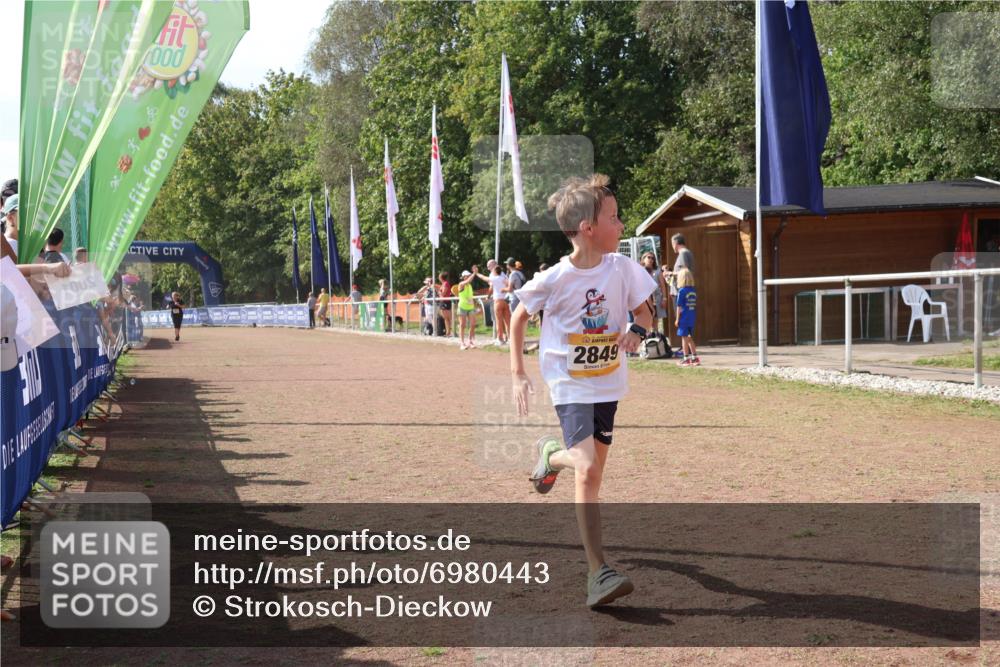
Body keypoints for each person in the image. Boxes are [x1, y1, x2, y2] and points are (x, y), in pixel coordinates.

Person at [510, 173, 655, 609]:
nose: (622, 224)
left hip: (607, 383)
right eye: (614, 218)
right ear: (588, 227)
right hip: (568, 383)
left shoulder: (622, 268)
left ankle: (550, 456)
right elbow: (518, 317)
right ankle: (598, 572)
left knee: (590, 476)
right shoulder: (554, 278)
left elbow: (645, 314)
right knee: (588, 467)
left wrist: (634, 331)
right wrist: (518, 373)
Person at [674, 268, 699, 366]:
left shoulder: (681, 291)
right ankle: (695, 357)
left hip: (684, 317)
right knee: (689, 337)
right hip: (691, 316)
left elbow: (679, 306)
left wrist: (677, 319)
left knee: (684, 338)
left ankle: (686, 358)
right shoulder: (693, 291)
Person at [640, 251, 669, 334]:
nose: (651, 259)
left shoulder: (657, 271)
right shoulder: (640, 270)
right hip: (644, 300)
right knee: (646, 321)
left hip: (656, 299)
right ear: (643, 259)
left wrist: (664, 298)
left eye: (652, 258)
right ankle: (647, 341)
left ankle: (655, 340)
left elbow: (663, 286)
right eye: (648, 257)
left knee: (655, 321)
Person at [455, 268, 484, 349]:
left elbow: (470, 297)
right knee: (462, 325)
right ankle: (462, 343)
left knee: (472, 324)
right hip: (462, 307)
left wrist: (473, 304)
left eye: (469, 276)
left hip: (470, 308)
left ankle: (470, 341)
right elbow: (467, 281)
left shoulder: (470, 286)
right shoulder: (461, 284)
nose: (468, 277)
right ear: (464, 277)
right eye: (467, 276)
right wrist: (474, 273)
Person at [486, 264, 509, 344]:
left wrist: (488, 296)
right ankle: (509, 338)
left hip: (498, 300)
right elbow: (508, 285)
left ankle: (500, 339)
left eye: (489, 266)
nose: (488, 268)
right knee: (507, 321)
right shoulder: (504, 277)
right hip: (506, 300)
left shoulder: (493, 277)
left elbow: (491, 287)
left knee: (498, 321)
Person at [438, 271, 453, 337]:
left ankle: (449, 332)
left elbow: (443, 294)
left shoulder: (445, 284)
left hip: (445, 302)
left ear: (441, 277)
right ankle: (448, 332)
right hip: (443, 301)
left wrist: (438, 292)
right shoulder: (443, 284)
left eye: (439, 276)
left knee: (447, 318)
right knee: (446, 318)